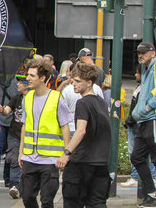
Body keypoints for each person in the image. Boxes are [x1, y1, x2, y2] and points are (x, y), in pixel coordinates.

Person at [57, 62, 111, 208]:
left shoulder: (83, 103)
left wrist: (66, 152)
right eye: (73, 80)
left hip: (81, 162)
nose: (74, 84)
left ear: (89, 82)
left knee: (73, 202)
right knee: (97, 202)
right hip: (100, 161)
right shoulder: (101, 102)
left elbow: (81, 130)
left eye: (78, 81)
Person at [19, 57, 71, 208]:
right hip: (30, 157)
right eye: (28, 74)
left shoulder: (56, 99)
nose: (27, 78)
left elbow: (65, 127)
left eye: (32, 75)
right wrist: (21, 152)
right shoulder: (27, 98)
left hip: (50, 160)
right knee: (27, 197)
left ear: (43, 78)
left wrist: (65, 154)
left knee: (47, 202)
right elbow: (25, 126)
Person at [130, 42, 156, 207]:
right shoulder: (148, 68)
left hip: (153, 117)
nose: (140, 55)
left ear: (152, 53)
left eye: (143, 52)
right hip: (145, 118)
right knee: (137, 156)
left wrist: (148, 107)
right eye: (138, 52)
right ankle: (151, 192)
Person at [2, 69, 29, 199]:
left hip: (29, 135)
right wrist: (2, 110)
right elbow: (7, 111)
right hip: (14, 133)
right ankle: (14, 186)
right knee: (13, 158)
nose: (17, 85)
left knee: (26, 161)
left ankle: (23, 186)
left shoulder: (33, 99)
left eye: (20, 83)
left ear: (27, 85)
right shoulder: (15, 99)